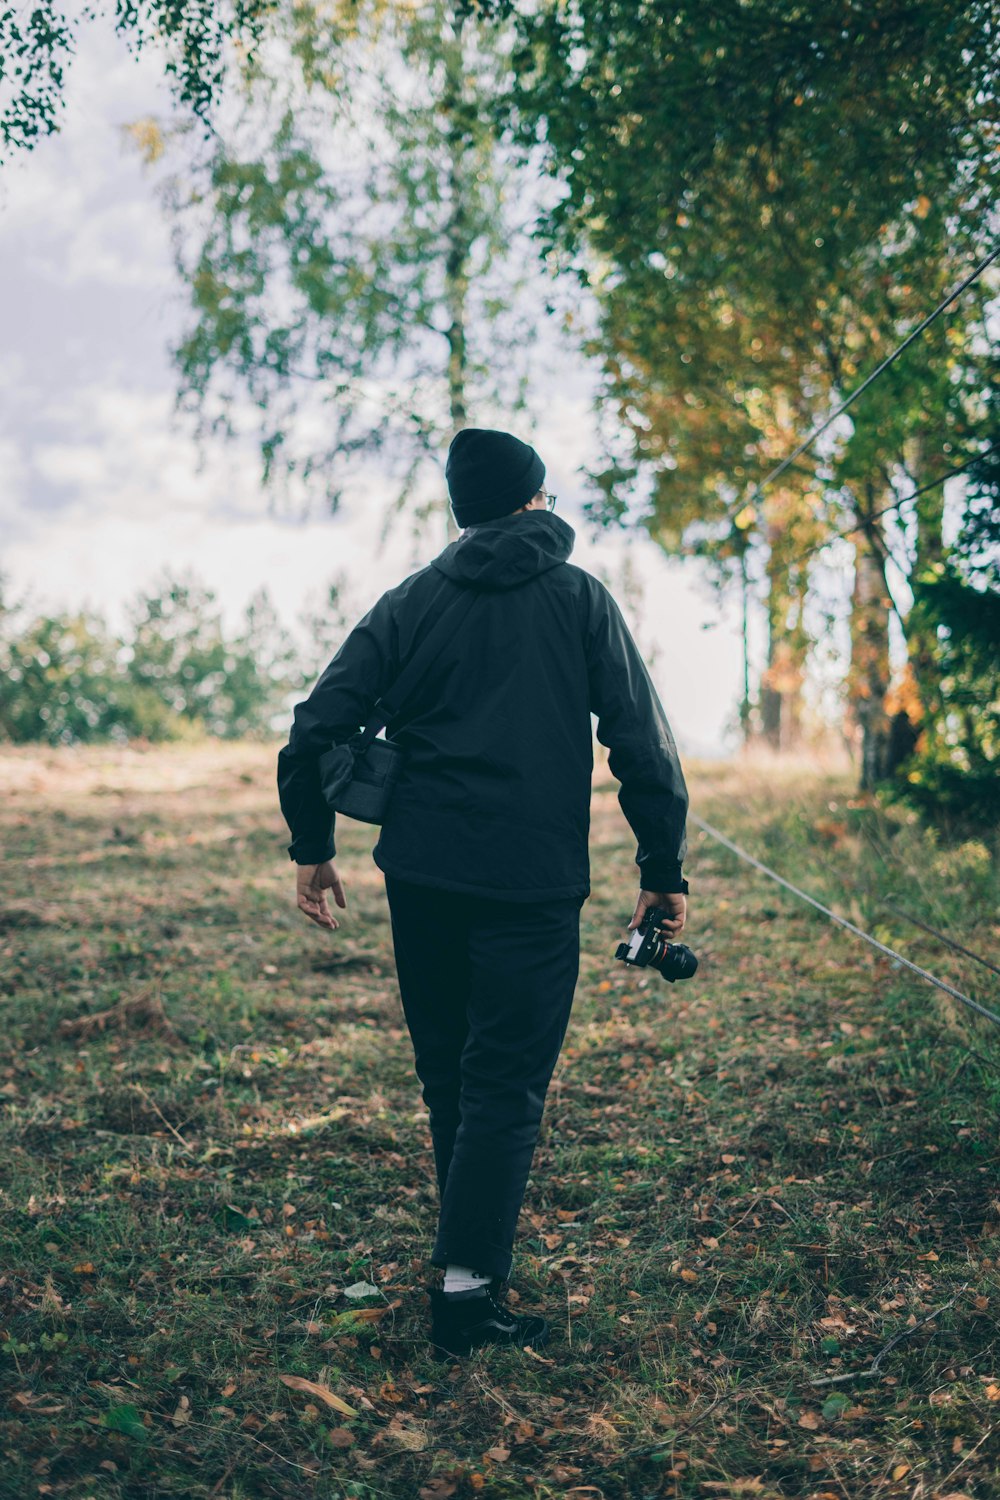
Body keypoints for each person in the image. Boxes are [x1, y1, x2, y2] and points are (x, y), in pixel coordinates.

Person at [276, 427, 689, 1359]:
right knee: (503, 1084)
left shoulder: (411, 601)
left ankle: (466, 1256)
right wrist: (661, 870)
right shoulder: (581, 599)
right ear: (535, 499)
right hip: (532, 882)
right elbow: (642, 743)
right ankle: (465, 1295)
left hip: (421, 873)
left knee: (450, 1075)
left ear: (464, 513)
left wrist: (313, 843)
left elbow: (312, 730)